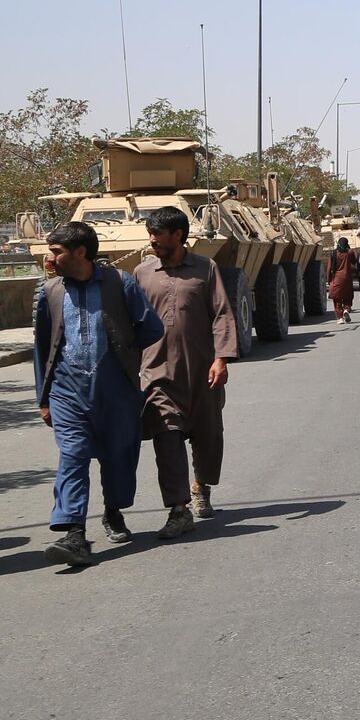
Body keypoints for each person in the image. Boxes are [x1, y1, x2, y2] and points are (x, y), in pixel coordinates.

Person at [32, 221, 166, 565]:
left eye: (56, 251)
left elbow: (151, 327)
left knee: (119, 456)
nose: (50, 257)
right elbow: (43, 348)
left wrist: (124, 351)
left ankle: (113, 510)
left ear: (79, 252)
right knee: (73, 455)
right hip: (67, 390)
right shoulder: (49, 292)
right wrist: (44, 398)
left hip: (116, 388)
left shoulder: (120, 283)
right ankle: (74, 532)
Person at [135, 206, 239, 530]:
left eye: (158, 234)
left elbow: (222, 313)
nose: (152, 240)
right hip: (158, 372)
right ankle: (178, 509)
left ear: (178, 235)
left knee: (207, 437)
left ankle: (201, 486)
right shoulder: (141, 273)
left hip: (202, 370)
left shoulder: (206, 269)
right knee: (166, 437)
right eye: (150, 234)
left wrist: (221, 358)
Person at [328, 237, 357, 325]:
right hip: (347, 279)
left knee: (337, 299)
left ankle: (340, 318)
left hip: (336, 279)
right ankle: (346, 309)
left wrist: (329, 280)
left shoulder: (334, 253)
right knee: (348, 296)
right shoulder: (349, 252)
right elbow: (354, 262)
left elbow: (329, 268)